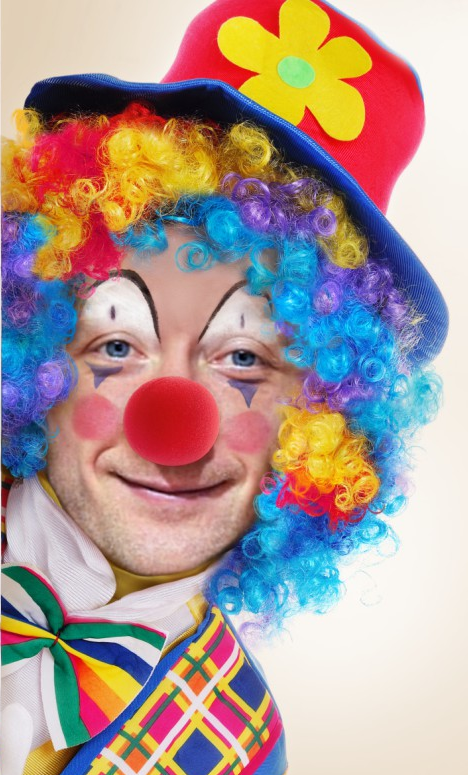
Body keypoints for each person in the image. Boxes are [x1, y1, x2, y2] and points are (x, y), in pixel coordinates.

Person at [1, 0, 447, 773]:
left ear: (318, 429)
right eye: (117, 342)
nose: (170, 421)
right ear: (36, 342)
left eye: (243, 358)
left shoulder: (242, 748)